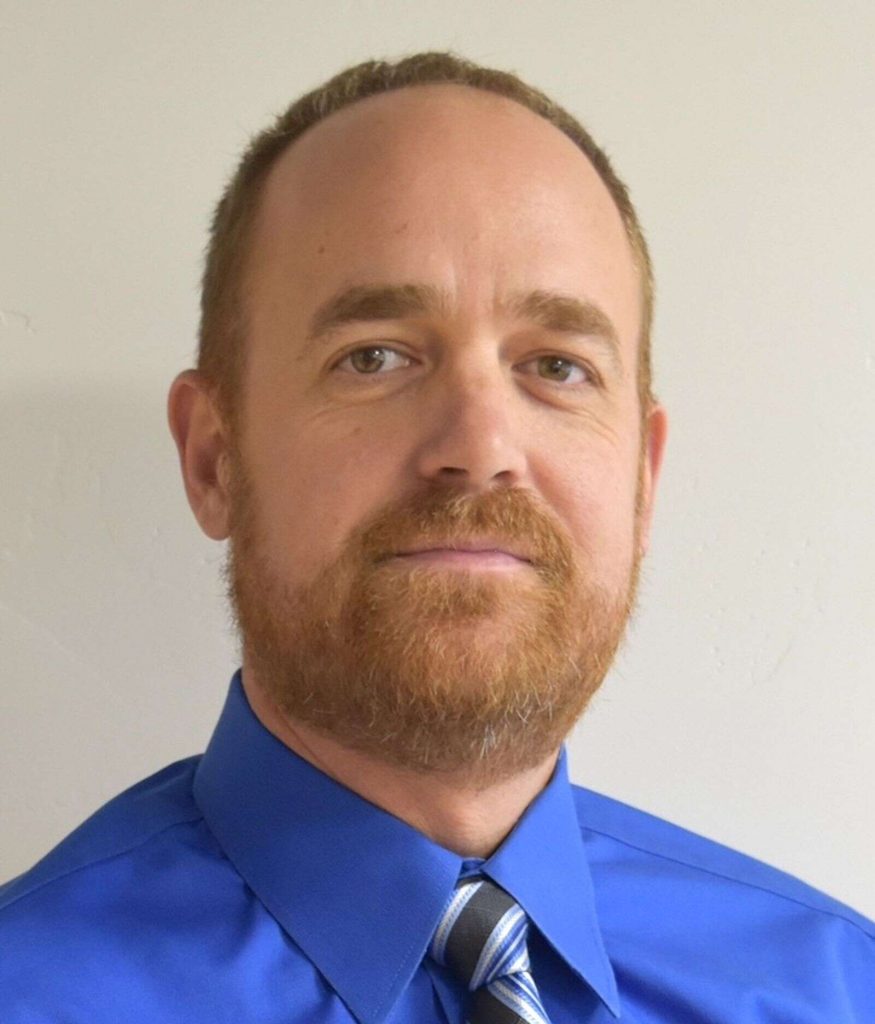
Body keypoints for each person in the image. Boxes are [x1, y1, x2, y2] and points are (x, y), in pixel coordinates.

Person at [1, 50, 872, 1023]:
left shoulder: (838, 987)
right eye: (372, 357)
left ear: (641, 480)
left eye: (556, 366)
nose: (480, 447)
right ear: (214, 460)